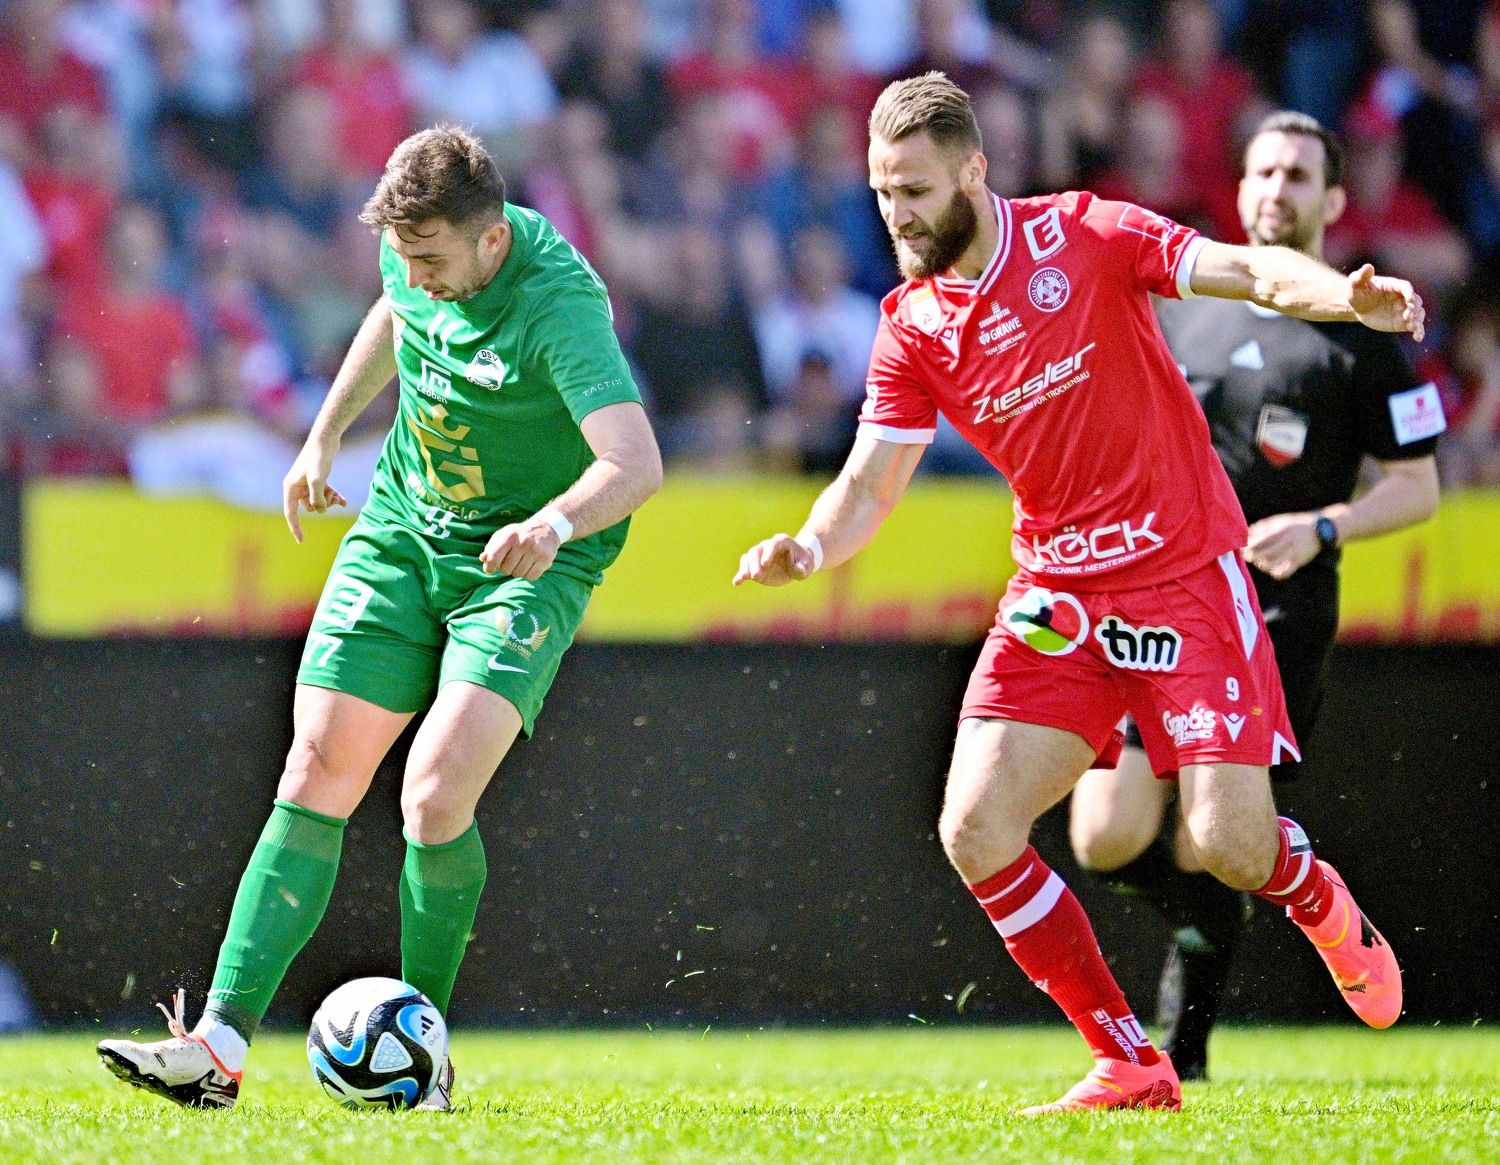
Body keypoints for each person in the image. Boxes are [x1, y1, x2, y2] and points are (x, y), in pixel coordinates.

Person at [735, 73, 1422, 1114]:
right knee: (974, 826)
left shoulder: (1085, 233)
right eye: (881, 193)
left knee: (1233, 846)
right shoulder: (913, 326)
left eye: (914, 188)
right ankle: (1128, 1058)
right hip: (1061, 592)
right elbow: (871, 481)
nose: (897, 213)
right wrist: (810, 545)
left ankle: (1319, 897)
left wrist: (1345, 298)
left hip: (1185, 570)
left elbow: (1240, 267)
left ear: (974, 168)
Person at [97, 125, 662, 1110]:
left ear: (491, 244)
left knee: (436, 795)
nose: (417, 276)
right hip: (405, 526)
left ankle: (425, 1056)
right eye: (403, 257)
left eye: (434, 260)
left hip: (523, 559)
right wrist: (323, 437)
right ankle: (217, 1047)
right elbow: (391, 318)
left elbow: (637, 463)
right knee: (315, 767)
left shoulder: (557, 305)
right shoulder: (414, 254)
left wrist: (553, 523)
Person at [1067, 111, 1444, 1082]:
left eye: (1299, 175)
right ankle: (1209, 924)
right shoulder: (1184, 299)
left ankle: (1180, 1051)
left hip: (1276, 608)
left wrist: (1322, 525)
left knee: (1211, 838)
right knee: (1104, 832)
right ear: (1239, 189)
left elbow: (1419, 486)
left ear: (1332, 200)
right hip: (1156, 592)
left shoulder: (1360, 330)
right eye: (1264, 170)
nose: (1277, 188)